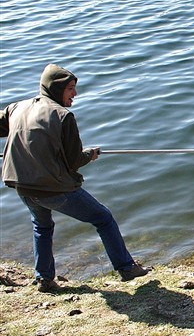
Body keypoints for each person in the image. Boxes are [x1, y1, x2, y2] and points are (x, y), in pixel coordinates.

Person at [1, 64, 150, 293]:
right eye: (71, 88)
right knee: (103, 218)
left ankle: (44, 279)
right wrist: (89, 155)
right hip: (54, 189)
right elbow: (73, 161)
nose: (75, 94)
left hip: (22, 186)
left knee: (42, 226)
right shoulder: (63, 116)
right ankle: (126, 267)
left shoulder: (16, 108)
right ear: (56, 88)